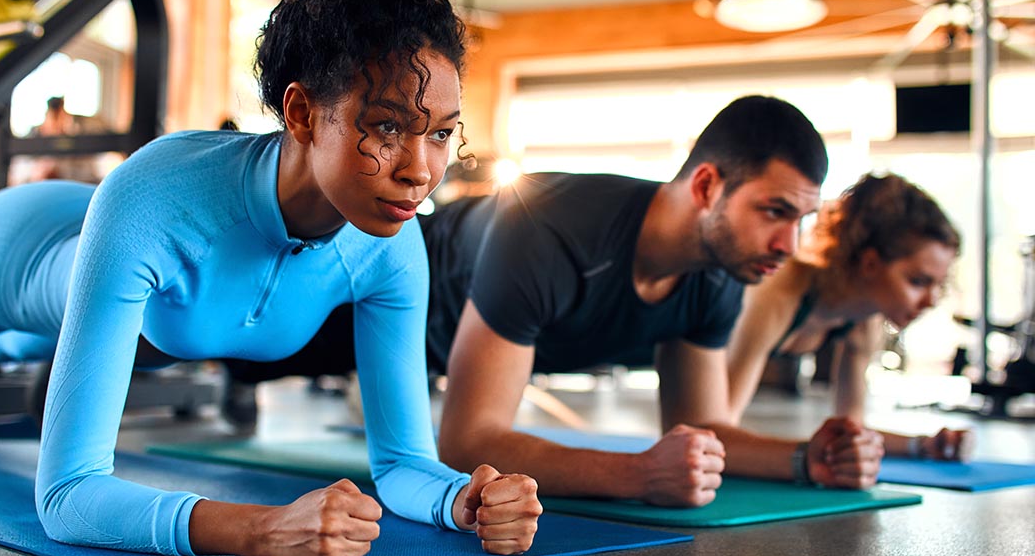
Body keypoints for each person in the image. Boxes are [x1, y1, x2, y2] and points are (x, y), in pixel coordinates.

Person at [0, 0, 540, 556]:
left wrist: (463, 500)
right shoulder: (159, 199)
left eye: (442, 134)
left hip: (143, 315)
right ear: (299, 114)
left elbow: (403, 465)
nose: (421, 170)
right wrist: (259, 530)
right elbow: (66, 496)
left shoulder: (391, 248)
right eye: (386, 127)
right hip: (21, 251)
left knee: (72, 340)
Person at [241, 95, 830, 507]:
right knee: (227, 344)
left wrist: (810, 458)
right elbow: (469, 441)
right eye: (774, 212)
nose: (789, 245)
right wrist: (638, 473)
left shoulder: (721, 273)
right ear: (706, 187)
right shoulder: (553, 227)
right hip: (367, 296)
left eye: (802, 219)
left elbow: (701, 427)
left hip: (437, 350)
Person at [702, 172, 967, 488]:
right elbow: (715, 435)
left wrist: (924, 445)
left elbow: (852, 430)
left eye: (939, 284)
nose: (931, 300)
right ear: (869, 264)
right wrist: (808, 460)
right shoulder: (778, 293)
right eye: (918, 282)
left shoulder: (864, 320)